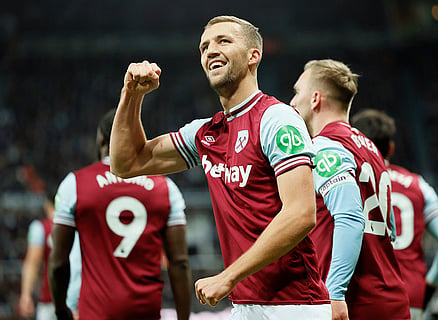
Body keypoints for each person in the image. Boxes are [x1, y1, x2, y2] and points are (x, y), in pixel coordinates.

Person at [110, 15, 331, 319]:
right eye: (204, 47)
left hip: (294, 307)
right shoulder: (206, 134)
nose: (210, 50)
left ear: (254, 56)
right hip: (244, 306)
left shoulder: (276, 120)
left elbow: (301, 214)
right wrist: (131, 95)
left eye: (223, 41)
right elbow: (127, 163)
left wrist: (228, 276)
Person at [290, 59, 411, 320]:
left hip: (356, 304)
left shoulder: (324, 147)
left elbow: (350, 218)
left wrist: (334, 291)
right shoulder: (369, 148)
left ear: (315, 99)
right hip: (392, 297)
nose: (292, 102)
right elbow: (389, 228)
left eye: (297, 92)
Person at [48, 109, 192, 320]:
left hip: (95, 314)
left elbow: (58, 261)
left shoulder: (75, 185)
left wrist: (61, 310)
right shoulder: (166, 188)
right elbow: (179, 263)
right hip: (146, 313)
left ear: (101, 140)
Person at [351, 108, 438, 319]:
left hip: (366, 293)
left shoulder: (351, 179)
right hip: (412, 295)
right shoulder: (419, 185)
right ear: (391, 148)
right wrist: (429, 286)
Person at [19, 197, 56, 320]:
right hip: (80, 301)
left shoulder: (41, 228)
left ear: (47, 205)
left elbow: (32, 262)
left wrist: (26, 295)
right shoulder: (80, 226)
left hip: (50, 301)